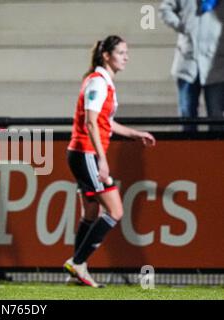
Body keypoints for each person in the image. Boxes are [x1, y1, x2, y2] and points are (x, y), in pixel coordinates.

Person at [63, 35, 156, 288]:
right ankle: (78, 262)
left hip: (82, 153)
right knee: (115, 210)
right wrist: (101, 159)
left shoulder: (102, 81)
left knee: (92, 211)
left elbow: (105, 122)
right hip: (86, 153)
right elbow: (90, 122)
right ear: (107, 56)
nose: (126, 57)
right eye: (121, 52)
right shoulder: (98, 83)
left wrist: (135, 133)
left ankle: (77, 267)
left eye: (127, 52)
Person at [159, 0, 224, 132]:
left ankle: (216, 151)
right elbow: (164, 9)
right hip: (188, 64)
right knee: (187, 114)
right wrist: (181, 25)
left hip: (216, 66)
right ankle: (189, 149)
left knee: (216, 115)